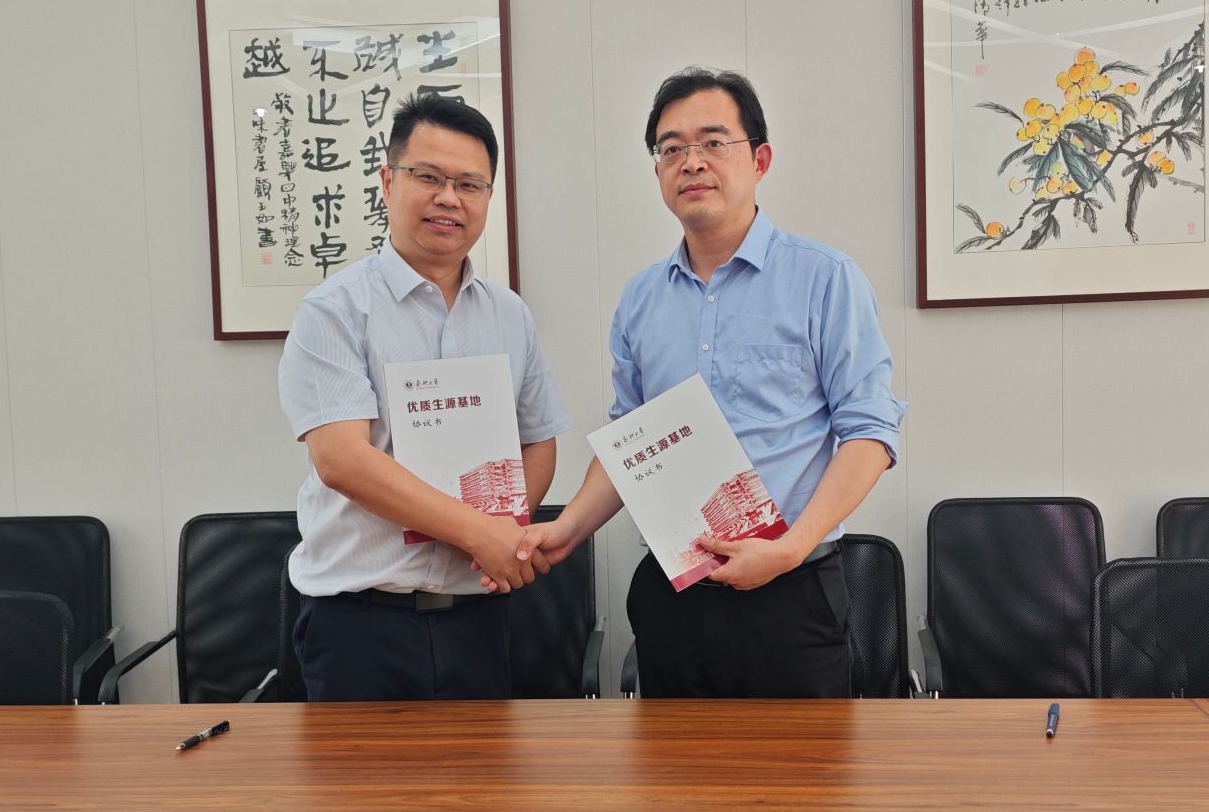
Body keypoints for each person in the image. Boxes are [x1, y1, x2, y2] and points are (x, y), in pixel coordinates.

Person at [518, 67, 905, 697]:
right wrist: (568, 529)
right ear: (658, 172)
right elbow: (630, 444)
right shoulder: (641, 299)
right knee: (674, 764)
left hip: (791, 593)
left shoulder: (825, 279)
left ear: (760, 159)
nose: (691, 162)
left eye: (713, 142)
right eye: (672, 148)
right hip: (673, 592)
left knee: (802, 766)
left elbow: (871, 433)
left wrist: (789, 549)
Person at [279, 88, 568, 701]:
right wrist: (481, 534)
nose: (449, 198)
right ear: (388, 182)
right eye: (429, 177)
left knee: (483, 770)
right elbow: (342, 461)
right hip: (359, 624)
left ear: (488, 197)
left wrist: (505, 531)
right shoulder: (334, 310)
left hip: (477, 616)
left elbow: (539, 442)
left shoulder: (510, 315)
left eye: (470, 184)